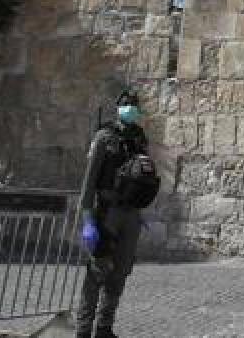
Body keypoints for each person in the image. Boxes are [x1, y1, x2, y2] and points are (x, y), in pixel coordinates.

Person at [75, 90, 155, 338]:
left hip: (131, 214)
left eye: (134, 105)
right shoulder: (104, 137)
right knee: (98, 270)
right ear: (119, 108)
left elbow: (144, 178)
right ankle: (83, 329)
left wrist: (142, 211)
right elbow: (89, 181)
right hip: (107, 212)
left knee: (120, 272)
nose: (131, 108)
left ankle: (104, 328)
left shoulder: (140, 139)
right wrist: (87, 220)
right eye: (126, 105)